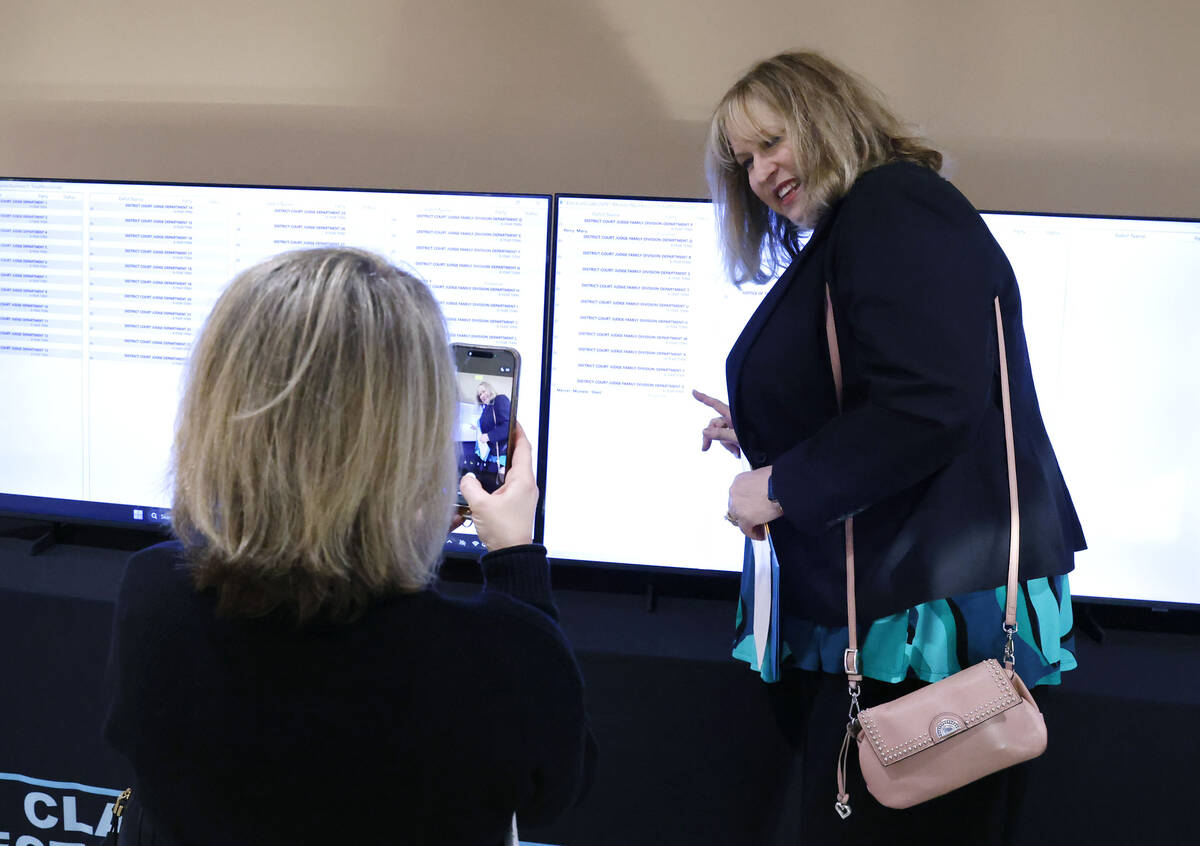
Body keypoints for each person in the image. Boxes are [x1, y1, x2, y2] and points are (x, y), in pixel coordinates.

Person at [693, 51, 1085, 844]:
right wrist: (771, 432)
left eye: (772, 143)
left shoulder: (893, 207)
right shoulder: (875, 218)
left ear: (826, 118)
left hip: (914, 628)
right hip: (888, 613)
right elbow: (897, 387)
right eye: (744, 162)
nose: (762, 174)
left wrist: (779, 485)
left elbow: (931, 404)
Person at [104, 248, 594, 846]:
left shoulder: (154, 593)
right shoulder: (492, 656)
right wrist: (514, 557)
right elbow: (553, 789)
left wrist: (386, 525)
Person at [476, 380, 512, 484]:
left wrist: (489, 436)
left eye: (483, 391)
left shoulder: (499, 400)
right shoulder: (487, 408)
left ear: (490, 389)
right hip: (492, 457)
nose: (482, 395)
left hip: (502, 459)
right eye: (480, 394)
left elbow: (508, 425)